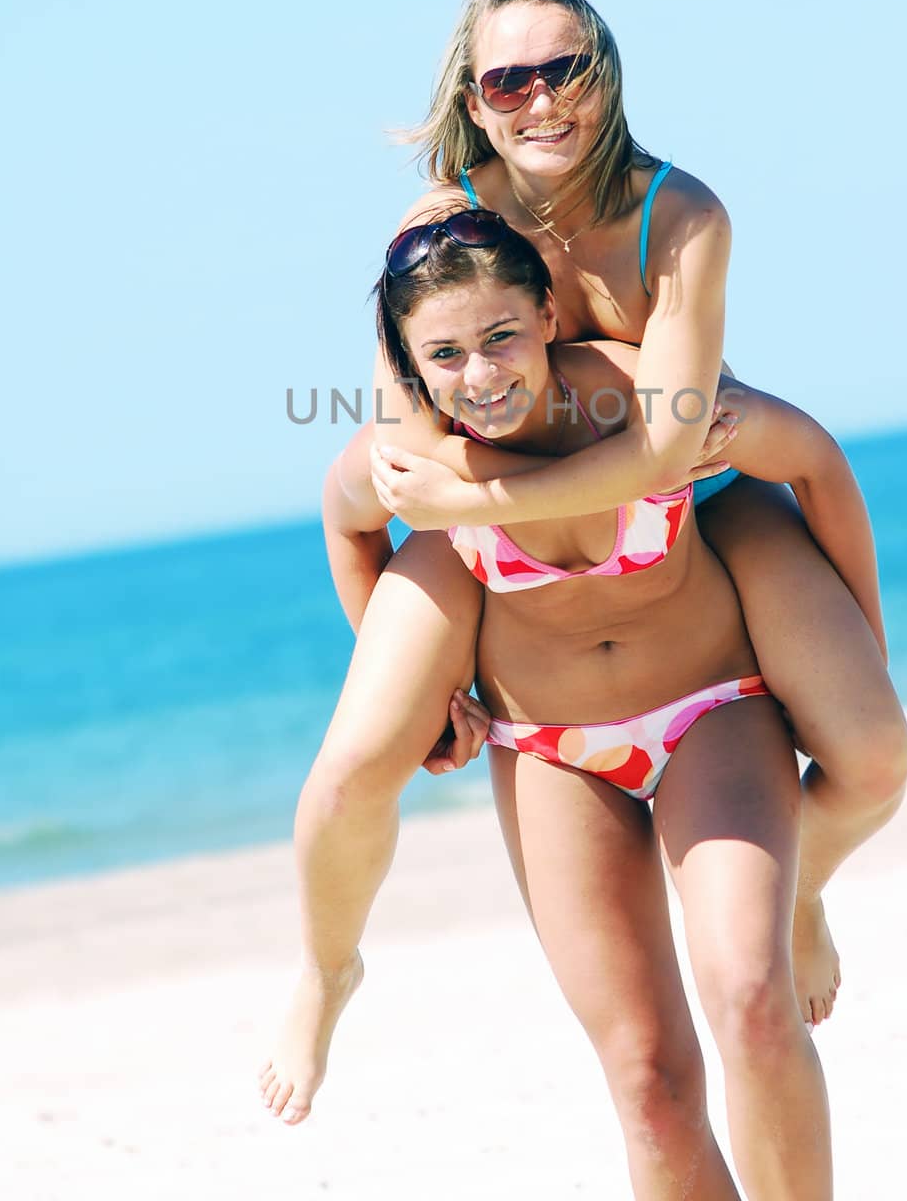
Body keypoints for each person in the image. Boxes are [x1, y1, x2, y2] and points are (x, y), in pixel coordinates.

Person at [264, 209, 853, 1198]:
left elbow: (809, 455)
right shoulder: (414, 455)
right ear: (412, 368)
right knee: (648, 1085)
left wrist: (853, 650)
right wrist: (432, 693)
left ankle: (802, 904)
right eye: (443, 355)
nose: (480, 375)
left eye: (499, 337)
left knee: (752, 1006)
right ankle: (326, 971)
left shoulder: (640, 400)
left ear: (545, 312)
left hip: (710, 709)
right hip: (550, 748)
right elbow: (344, 520)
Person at [366, 0, 907, 1027]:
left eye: (562, 69)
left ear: (603, 75)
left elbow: (671, 451)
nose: (538, 99)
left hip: (710, 496)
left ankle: (797, 882)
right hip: (560, 535)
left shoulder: (680, 213)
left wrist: (862, 640)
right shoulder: (444, 225)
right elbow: (401, 456)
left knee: (875, 754)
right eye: (506, 81)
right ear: (471, 100)